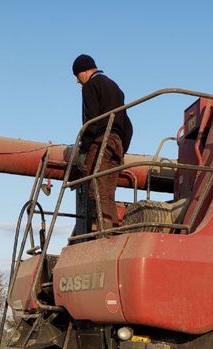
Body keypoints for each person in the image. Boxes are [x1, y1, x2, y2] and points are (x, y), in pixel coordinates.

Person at [72, 54, 133, 231]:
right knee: (108, 191)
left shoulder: (90, 86)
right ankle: (111, 227)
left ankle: (102, 230)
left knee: (96, 188)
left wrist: (84, 149)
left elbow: (91, 119)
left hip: (101, 141)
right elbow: (127, 125)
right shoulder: (115, 88)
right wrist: (122, 149)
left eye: (77, 76)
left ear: (84, 71)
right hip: (117, 143)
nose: (78, 81)